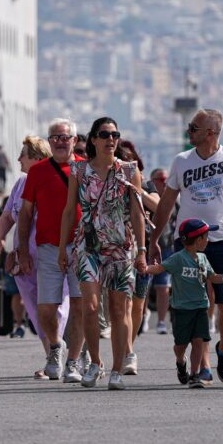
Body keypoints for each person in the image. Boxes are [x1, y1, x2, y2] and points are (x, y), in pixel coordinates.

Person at [150, 109, 223, 385]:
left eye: (193, 128)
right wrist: (154, 239)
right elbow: (167, 204)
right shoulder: (182, 161)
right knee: (198, 307)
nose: (188, 132)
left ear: (210, 132)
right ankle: (203, 366)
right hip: (190, 246)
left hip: (222, 243)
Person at [58, 117, 147, 390]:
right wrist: (63, 247)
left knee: (119, 308)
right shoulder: (79, 171)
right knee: (91, 306)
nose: (111, 139)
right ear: (93, 139)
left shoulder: (129, 171)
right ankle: (96, 362)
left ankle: (118, 369)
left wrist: (142, 251)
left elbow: (137, 213)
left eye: (115, 134)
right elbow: (70, 209)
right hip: (88, 244)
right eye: (105, 134)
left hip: (120, 247)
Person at [0, 136, 70, 378]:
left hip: (50, 255)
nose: (18, 159)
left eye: (23, 154)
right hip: (24, 261)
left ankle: (62, 351)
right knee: (36, 310)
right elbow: (7, 216)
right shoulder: (20, 183)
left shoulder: (52, 180)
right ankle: (51, 356)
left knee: (56, 305)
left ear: (37, 157)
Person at [18, 119, 86, 382]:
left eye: (64, 137)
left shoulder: (85, 169)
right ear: (49, 141)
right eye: (55, 137)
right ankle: (56, 347)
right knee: (46, 308)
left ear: (74, 139)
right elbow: (25, 213)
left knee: (80, 306)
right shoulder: (37, 172)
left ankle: (73, 362)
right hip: (47, 248)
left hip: (81, 248)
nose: (60, 141)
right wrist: (23, 249)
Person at [145, 220, 223, 388]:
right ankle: (180, 361)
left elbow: (212, 277)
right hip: (182, 310)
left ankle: (194, 374)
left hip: (200, 307)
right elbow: (160, 268)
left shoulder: (204, 258)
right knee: (180, 345)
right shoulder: (178, 258)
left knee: (198, 341)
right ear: (197, 240)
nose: (208, 240)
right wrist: (145, 269)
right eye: (206, 237)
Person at [115, 139, 159, 373]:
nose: (127, 164)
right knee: (126, 302)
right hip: (120, 249)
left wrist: (136, 186)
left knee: (138, 305)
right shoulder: (111, 183)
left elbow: (158, 207)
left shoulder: (147, 184)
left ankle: (127, 348)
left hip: (144, 250)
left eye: (131, 160)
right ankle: (128, 352)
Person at [146, 167, 173, 335]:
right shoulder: (148, 198)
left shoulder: (173, 199)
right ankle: (143, 315)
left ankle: (162, 321)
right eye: (160, 180)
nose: (164, 183)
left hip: (167, 248)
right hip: (147, 247)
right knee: (144, 286)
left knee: (163, 287)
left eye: (166, 180)